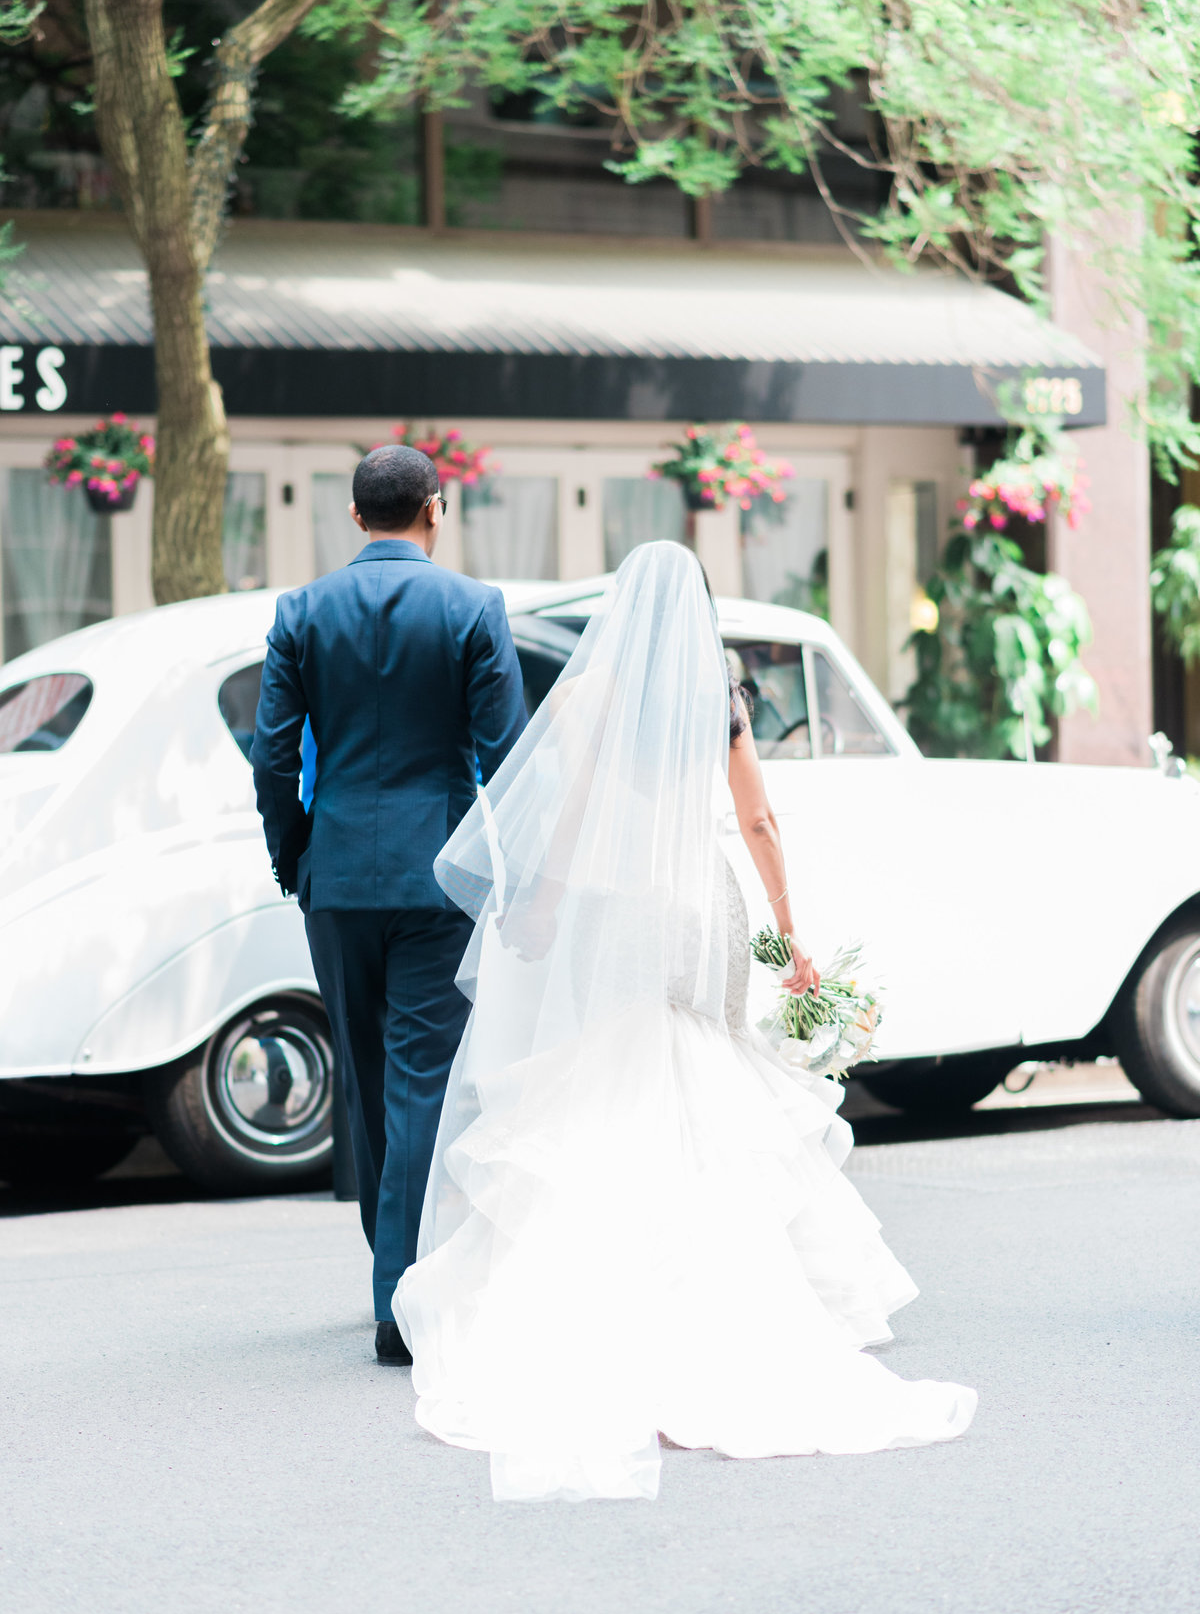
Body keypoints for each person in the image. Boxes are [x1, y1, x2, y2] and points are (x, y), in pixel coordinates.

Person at [394, 541, 975, 1501]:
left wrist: (543, 907)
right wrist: (790, 937)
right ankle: (736, 1285)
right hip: (707, 906)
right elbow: (758, 822)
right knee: (704, 1065)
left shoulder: (590, 700)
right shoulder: (722, 693)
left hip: (625, 904)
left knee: (614, 1072)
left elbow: (571, 813)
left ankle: (626, 1288)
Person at [251, 445, 526, 1360]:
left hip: (336, 877)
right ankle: (399, 1294)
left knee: (367, 1084)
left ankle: (391, 1271)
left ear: (359, 518)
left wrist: (297, 854)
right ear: (435, 512)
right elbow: (510, 757)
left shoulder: (301, 610)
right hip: (436, 875)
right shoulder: (474, 609)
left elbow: (273, 757)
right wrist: (509, 869)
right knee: (415, 1083)